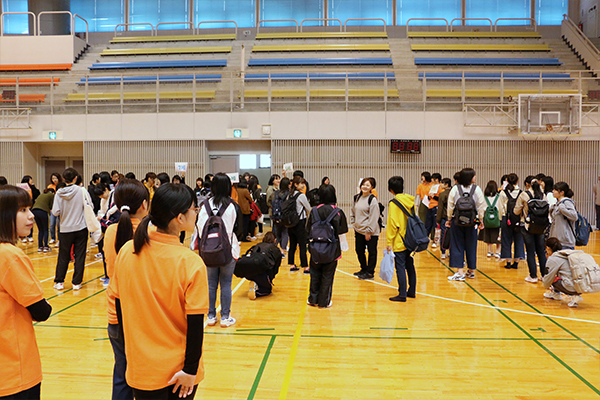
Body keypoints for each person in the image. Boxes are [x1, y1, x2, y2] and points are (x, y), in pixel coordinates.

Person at [109, 183, 207, 399]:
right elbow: (195, 324)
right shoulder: (190, 263)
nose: (196, 213)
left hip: (141, 368)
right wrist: (190, 369)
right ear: (180, 218)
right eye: (194, 208)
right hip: (178, 372)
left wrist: (131, 350)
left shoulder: (127, 250)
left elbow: (118, 304)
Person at [0, 185, 52, 400]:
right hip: (14, 371)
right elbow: (41, 311)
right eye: (22, 210)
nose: (31, 216)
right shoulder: (10, 256)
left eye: (29, 209)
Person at [104, 178, 149, 400]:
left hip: (115, 312)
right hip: (141, 316)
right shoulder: (147, 233)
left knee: (121, 373)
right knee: (144, 377)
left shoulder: (111, 231)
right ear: (143, 205)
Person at [194, 173, 239, 327]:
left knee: (211, 284)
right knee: (226, 283)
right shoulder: (231, 206)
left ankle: (211, 316)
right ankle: (225, 317)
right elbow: (234, 229)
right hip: (227, 250)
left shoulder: (205, 205)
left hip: (209, 250)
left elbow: (199, 228)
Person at [307, 184, 348, 308]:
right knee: (327, 276)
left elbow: (307, 230)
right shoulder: (338, 212)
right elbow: (342, 232)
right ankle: (324, 301)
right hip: (331, 250)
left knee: (314, 274)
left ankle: (313, 299)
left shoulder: (314, 211)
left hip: (315, 249)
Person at [52, 168, 92, 291]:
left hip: (65, 229)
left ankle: (59, 281)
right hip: (81, 228)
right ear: (75, 178)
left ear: (64, 179)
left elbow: (55, 212)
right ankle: (76, 283)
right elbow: (90, 206)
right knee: (79, 255)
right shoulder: (82, 191)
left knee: (63, 256)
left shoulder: (59, 193)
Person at [447, 168, 486, 281]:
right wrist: (480, 221)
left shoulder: (455, 189)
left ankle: (460, 272)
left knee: (457, 245)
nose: (475, 177)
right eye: (474, 175)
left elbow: (451, 206)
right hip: (473, 222)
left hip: (457, 221)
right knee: (471, 245)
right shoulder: (477, 189)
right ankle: (471, 270)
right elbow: (481, 207)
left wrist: (449, 219)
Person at [386, 176, 417, 301]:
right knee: (410, 265)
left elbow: (392, 224)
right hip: (411, 239)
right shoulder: (410, 200)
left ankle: (402, 294)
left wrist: (389, 242)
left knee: (400, 267)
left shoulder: (394, 204)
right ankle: (412, 291)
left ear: (391, 190)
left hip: (400, 240)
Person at [514, 178, 548, 283]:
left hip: (528, 226)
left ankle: (533, 276)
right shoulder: (543, 195)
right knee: (541, 251)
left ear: (528, 185)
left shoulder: (524, 195)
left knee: (530, 251)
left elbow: (516, 211)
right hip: (541, 226)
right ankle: (544, 275)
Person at [351, 177, 380, 280]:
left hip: (370, 232)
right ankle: (363, 268)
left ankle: (370, 272)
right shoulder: (357, 198)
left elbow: (374, 216)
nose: (365, 187)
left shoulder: (372, 200)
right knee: (359, 250)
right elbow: (353, 211)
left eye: (368, 185)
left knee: (372, 252)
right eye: (363, 184)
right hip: (359, 230)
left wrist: (369, 231)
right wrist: (353, 223)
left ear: (372, 187)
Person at [542, 237, 583, 307]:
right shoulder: (565, 253)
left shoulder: (553, 259)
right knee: (560, 275)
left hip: (573, 287)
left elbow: (547, 282)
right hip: (582, 284)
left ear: (548, 248)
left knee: (552, 279)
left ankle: (575, 296)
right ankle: (556, 293)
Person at [498, 173, 524, 270]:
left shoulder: (503, 193)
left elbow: (501, 209)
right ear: (517, 181)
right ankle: (516, 262)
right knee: (519, 240)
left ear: (507, 181)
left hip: (507, 218)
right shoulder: (521, 193)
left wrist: (502, 219)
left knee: (506, 240)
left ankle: (508, 262)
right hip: (518, 219)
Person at [246, 232, 283, 299]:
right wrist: (271, 278)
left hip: (249, 272)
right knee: (267, 291)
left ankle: (255, 283)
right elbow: (276, 268)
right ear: (274, 240)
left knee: (260, 278)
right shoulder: (276, 250)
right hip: (263, 273)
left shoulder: (257, 245)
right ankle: (256, 293)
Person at [287, 176, 311, 273]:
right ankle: (305, 267)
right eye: (301, 183)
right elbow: (309, 209)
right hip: (300, 222)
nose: (303, 185)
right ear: (296, 184)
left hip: (291, 222)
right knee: (302, 245)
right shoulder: (301, 196)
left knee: (292, 244)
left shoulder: (290, 195)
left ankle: (292, 265)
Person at [549, 182, 578, 250]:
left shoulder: (567, 202)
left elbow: (574, 216)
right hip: (558, 240)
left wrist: (563, 209)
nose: (553, 191)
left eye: (555, 190)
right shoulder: (558, 203)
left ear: (562, 192)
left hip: (565, 241)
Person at [479, 180, 500, 259]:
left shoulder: (484, 197)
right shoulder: (498, 196)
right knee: (498, 234)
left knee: (488, 234)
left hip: (487, 217)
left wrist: (481, 219)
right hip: (496, 217)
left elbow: (482, 209)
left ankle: (489, 251)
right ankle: (497, 252)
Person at [268, 176, 288, 254]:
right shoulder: (288, 194)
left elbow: (269, 202)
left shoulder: (275, 193)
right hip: (285, 217)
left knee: (276, 233)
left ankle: (274, 249)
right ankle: (283, 251)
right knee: (285, 233)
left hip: (276, 216)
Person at [31, 188, 55, 253]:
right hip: (43, 211)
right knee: (45, 229)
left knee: (40, 230)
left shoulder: (42, 195)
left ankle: (40, 246)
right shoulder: (51, 195)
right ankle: (46, 246)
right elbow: (52, 205)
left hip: (34, 211)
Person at [436, 178, 452, 259]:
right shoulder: (454, 192)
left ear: (446, 184)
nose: (440, 185)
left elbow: (440, 208)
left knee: (444, 235)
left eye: (442, 183)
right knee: (452, 235)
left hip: (444, 217)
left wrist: (438, 220)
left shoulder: (442, 194)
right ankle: (451, 252)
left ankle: (443, 252)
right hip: (452, 217)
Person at [425, 173, 442, 246]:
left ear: (437, 180)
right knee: (428, 224)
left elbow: (441, 199)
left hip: (436, 206)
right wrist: (429, 197)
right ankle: (425, 239)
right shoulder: (432, 186)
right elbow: (429, 197)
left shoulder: (440, 187)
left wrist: (434, 197)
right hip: (430, 206)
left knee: (436, 225)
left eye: (433, 178)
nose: (431, 180)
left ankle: (436, 241)